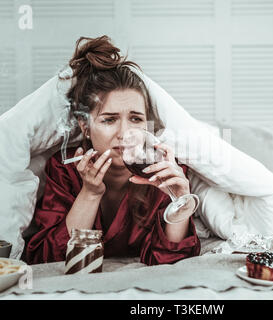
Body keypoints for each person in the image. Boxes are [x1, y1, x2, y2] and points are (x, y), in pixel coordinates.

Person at [24, 35, 200, 265]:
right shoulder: (64, 168)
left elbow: (172, 262)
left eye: (136, 119)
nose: (125, 134)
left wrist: (180, 200)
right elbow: (48, 259)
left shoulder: (162, 169)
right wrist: (90, 193)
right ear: (85, 126)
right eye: (109, 120)